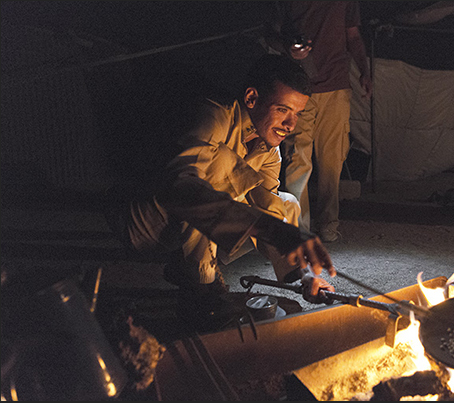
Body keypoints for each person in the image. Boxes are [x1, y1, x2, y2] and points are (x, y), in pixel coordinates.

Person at [104, 54, 336, 328]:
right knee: (222, 167)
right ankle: (202, 289)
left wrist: (305, 275)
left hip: (184, 230)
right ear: (251, 98)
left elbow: (270, 210)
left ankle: (185, 266)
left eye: (297, 114)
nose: (291, 124)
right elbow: (180, 188)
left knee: (285, 202)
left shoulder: (269, 149)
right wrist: (273, 230)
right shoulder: (215, 115)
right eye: (283, 110)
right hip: (145, 224)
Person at [264, 1, 373, 242]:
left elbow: (352, 34)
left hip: (336, 85)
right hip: (297, 87)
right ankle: (300, 229)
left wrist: (364, 70)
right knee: (297, 159)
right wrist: (288, 47)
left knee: (332, 158)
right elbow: (269, 33)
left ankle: (328, 226)